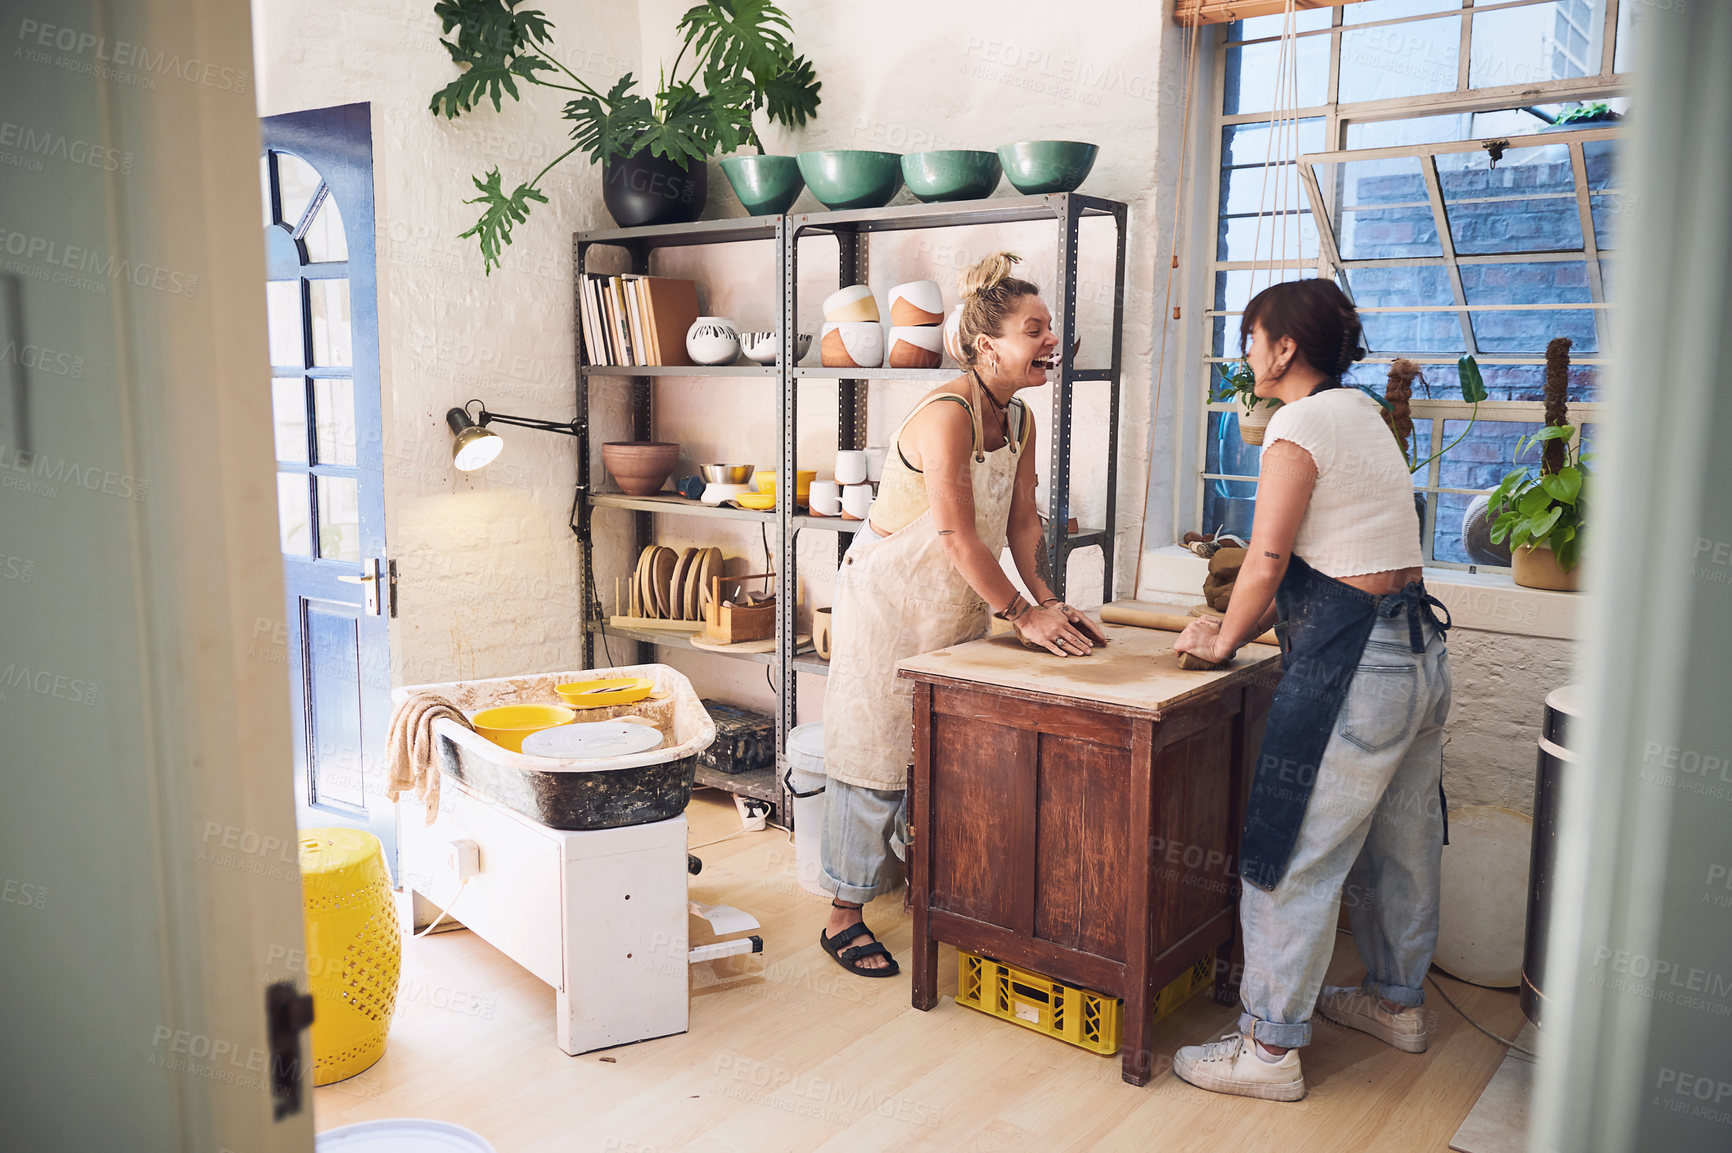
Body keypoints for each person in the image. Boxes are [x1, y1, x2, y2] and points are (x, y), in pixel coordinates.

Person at [1170, 278, 1453, 1100]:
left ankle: (1266, 1050)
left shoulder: (1296, 422)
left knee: (1289, 850)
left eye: (1253, 335)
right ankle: (1398, 1003)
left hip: (1355, 668)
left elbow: (1266, 557)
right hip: (1419, 655)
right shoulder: (1361, 413)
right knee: (1401, 847)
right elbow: (1338, 555)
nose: (1246, 351)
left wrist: (1223, 640)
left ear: (1285, 347)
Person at [817, 252, 1108, 977]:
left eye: (1050, 328)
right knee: (876, 750)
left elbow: (1020, 525)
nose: (1051, 342)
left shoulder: (1022, 418)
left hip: (953, 600)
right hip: (888, 598)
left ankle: (936, 892)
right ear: (987, 345)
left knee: (946, 747)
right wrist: (1017, 613)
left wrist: (1046, 602)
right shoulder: (946, 415)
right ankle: (841, 913)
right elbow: (953, 533)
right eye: (1034, 329)